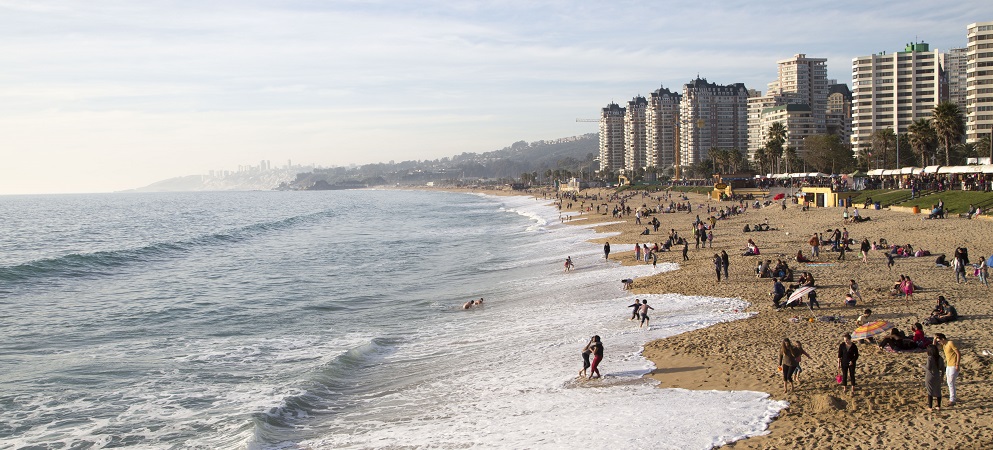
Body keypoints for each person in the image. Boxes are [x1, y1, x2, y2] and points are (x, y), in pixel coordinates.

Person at [935, 333, 960, 406]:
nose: (939, 342)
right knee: (949, 383)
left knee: (950, 382)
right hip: (949, 366)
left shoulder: (950, 343)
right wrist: (934, 340)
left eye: (939, 341)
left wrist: (957, 364)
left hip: (953, 365)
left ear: (943, 339)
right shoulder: (944, 345)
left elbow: (958, 353)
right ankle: (953, 397)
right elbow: (934, 348)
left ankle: (952, 399)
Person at [925, 343, 945, 411]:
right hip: (937, 376)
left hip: (930, 377)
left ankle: (930, 407)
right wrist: (942, 377)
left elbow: (928, 368)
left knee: (930, 391)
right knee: (938, 391)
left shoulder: (930, 358)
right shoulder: (940, 358)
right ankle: (938, 406)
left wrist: (921, 366)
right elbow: (942, 369)